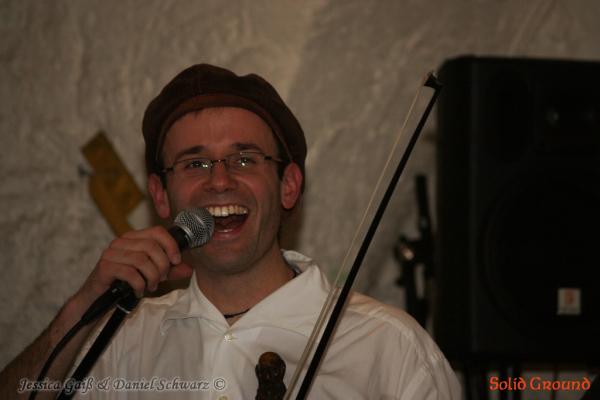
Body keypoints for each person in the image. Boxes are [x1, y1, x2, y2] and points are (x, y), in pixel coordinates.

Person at [0, 64, 461, 399]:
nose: (219, 181)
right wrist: (82, 308)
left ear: (288, 185)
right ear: (161, 196)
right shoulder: (121, 340)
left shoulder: (389, 347)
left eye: (244, 159)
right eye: (195, 163)